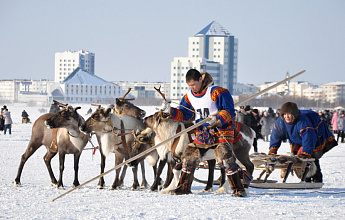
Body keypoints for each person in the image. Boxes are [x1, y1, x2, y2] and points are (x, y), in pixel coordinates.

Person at [160, 69, 248, 197]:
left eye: (194, 84)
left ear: (201, 79)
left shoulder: (217, 92)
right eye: (189, 85)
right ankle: (183, 188)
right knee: (188, 155)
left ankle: (238, 189)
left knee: (225, 157)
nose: (192, 88)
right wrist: (170, 112)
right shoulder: (188, 96)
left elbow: (230, 111)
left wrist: (217, 119)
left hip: (221, 130)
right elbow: (186, 115)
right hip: (203, 132)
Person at [269, 102, 338, 183]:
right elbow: (275, 136)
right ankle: (305, 178)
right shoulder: (280, 122)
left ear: (294, 114)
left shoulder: (303, 121)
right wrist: (272, 150)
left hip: (315, 136)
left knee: (312, 158)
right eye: (284, 114)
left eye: (289, 114)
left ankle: (317, 178)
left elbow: (309, 138)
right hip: (297, 140)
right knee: (298, 159)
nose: (286, 116)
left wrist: (305, 153)